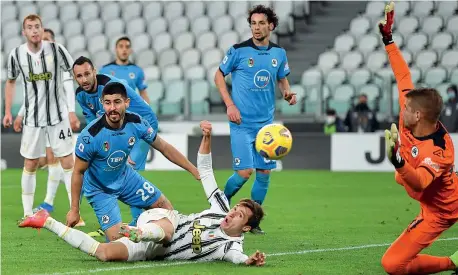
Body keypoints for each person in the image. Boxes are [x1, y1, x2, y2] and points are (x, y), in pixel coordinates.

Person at [19, 121, 266, 267]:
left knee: (104, 253)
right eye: (235, 209)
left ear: (245, 228)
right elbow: (205, 168)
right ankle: (139, 231)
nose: (231, 214)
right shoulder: (220, 206)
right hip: (166, 221)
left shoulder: (230, 246)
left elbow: (238, 258)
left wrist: (249, 261)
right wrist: (207, 137)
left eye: (239, 216)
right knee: (167, 231)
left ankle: (45, 220)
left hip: (152, 250)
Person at [63, 81, 200, 242]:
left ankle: (144, 231)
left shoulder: (136, 122)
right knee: (118, 241)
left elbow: (164, 147)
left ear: (126, 103)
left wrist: (193, 169)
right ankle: (132, 232)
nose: (112, 108)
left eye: (117, 102)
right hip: (100, 189)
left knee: (166, 210)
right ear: (102, 104)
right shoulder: (90, 136)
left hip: (126, 177)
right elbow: (78, 172)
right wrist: (74, 209)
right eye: (107, 103)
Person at [379, 2, 458, 274]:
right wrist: (388, 41)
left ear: (419, 115)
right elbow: (403, 75)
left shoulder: (440, 150)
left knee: (393, 266)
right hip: (429, 202)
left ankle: (453, 262)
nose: (402, 110)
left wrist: (398, 160)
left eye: (407, 109)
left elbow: (422, 182)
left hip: (443, 210)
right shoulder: (409, 114)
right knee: (401, 177)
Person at [214, 5, 296, 234]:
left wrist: (287, 93)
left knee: (264, 173)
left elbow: (282, 79)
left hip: (266, 126)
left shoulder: (278, 53)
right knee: (244, 172)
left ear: (271, 25)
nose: (256, 27)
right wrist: (230, 105)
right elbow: (218, 75)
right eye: (253, 23)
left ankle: (254, 221)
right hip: (241, 123)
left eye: (261, 23)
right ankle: (220, 203)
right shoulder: (238, 51)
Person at [3, 14, 79, 219]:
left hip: (58, 116)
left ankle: (75, 212)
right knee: (30, 163)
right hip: (33, 119)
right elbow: (10, 81)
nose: (35, 30)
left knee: (67, 161)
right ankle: (28, 214)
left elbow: (74, 73)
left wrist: (79, 104)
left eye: (37, 26)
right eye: (30, 27)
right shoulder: (16, 54)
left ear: (42, 29)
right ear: (24, 32)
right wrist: (9, 111)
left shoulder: (56, 49)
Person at [73, 56, 158, 236]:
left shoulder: (109, 86)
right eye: (79, 76)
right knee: (93, 169)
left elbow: (127, 115)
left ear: (94, 71)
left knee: (132, 172)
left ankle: (137, 224)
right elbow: (94, 121)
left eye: (87, 74)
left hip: (142, 124)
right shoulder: (80, 95)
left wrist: (122, 142)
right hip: (118, 129)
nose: (84, 80)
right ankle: (111, 221)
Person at [99, 36, 150, 104]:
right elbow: (99, 93)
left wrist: (147, 112)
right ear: (116, 49)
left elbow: (143, 93)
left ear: (130, 50)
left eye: (127, 47)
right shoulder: (104, 70)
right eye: (121, 46)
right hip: (110, 111)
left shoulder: (137, 70)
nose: (124, 49)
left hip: (131, 111)